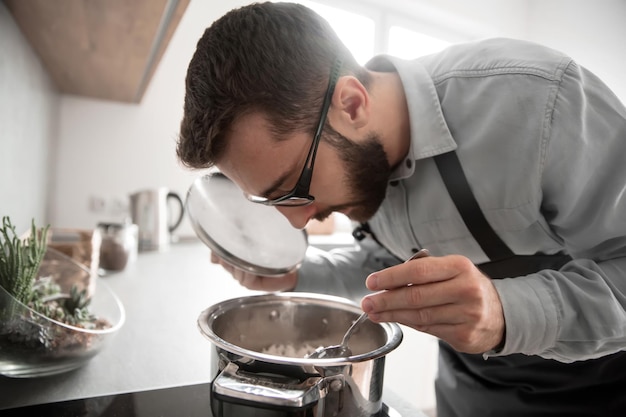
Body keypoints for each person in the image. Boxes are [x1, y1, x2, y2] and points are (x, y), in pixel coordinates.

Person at [177, 2, 626, 416]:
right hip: (466, 393)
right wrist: (298, 275)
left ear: (351, 105)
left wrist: (506, 313)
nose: (296, 220)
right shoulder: (360, 162)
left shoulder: (537, 99)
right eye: (270, 201)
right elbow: (390, 260)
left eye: (294, 187)